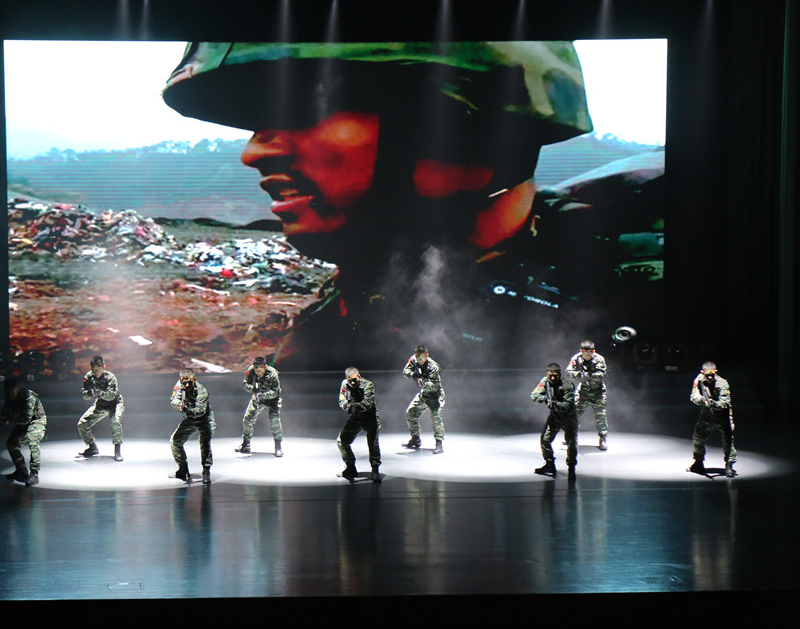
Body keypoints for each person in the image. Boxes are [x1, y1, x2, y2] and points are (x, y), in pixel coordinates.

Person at [161, 42, 664, 369]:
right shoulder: (339, 316)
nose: (254, 153)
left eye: (306, 109)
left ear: (461, 132)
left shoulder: (652, 302)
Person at [688, 361, 737, 477]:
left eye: (712, 375)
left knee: (728, 440)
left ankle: (729, 464)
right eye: (707, 375)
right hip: (707, 414)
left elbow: (724, 403)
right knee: (698, 438)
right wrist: (702, 400)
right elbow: (693, 396)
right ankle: (698, 462)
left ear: (716, 372)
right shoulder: (699, 380)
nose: (710, 377)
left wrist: (713, 403)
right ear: (702, 372)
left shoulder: (722, 383)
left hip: (723, 415)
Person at [531, 363, 578, 478]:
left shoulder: (567, 385)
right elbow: (534, 395)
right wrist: (545, 399)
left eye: (555, 376)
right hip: (555, 417)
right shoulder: (545, 382)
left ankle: (571, 467)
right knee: (545, 440)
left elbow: (567, 405)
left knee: (571, 443)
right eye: (550, 375)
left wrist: (555, 403)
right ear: (547, 374)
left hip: (569, 418)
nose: (552, 378)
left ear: (560, 375)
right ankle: (549, 464)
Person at [170, 368, 215, 484]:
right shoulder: (179, 385)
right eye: (184, 382)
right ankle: (183, 469)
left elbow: (200, 411)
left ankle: (206, 470)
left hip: (204, 419)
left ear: (194, 379)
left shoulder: (201, 391)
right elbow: (173, 400)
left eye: (189, 382)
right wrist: (180, 405)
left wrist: (187, 410)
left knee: (204, 443)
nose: (186, 385)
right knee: (175, 441)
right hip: (190, 418)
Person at [0, 377, 47, 487]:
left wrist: (10, 420)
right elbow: (6, 408)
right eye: (9, 392)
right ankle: (21, 470)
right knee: (11, 444)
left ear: (17, 389)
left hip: (37, 420)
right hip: (23, 421)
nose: (11, 395)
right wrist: (4, 416)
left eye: (12, 392)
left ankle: (34, 474)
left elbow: (26, 419)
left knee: (33, 440)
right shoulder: (9, 395)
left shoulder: (28, 396)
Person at [76, 355, 125, 461]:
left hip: (115, 403)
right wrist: (90, 393)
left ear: (103, 367)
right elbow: (84, 394)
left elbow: (112, 395)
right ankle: (92, 447)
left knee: (115, 422)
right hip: (101, 404)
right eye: (93, 369)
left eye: (98, 369)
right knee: (82, 424)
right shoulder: (89, 377)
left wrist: (101, 393)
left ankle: (117, 450)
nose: (95, 372)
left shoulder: (110, 377)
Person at [337, 367, 381, 483]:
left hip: (370, 417)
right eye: (350, 380)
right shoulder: (345, 384)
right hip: (356, 417)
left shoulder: (368, 385)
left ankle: (375, 469)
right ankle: (350, 467)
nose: (352, 383)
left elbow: (367, 403)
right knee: (342, 441)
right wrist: (347, 405)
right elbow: (342, 400)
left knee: (373, 444)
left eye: (354, 380)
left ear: (359, 376)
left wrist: (352, 406)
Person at [235, 356, 284, 457]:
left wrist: (264, 395)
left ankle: (278, 446)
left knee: (275, 422)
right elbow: (246, 383)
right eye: (257, 370)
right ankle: (246, 443)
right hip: (258, 397)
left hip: (272, 399)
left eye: (261, 370)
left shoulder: (273, 374)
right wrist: (252, 389)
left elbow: (275, 391)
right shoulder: (251, 371)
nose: (259, 373)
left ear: (265, 366)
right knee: (248, 419)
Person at [401, 345, 446, 454]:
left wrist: (424, 382)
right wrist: (414, 376)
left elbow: (434, 385)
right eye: (418, 357)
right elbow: (405, 371)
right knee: (411, 413)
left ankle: (439, 443)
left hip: (435, 395)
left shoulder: (433, 366)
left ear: (426, 355)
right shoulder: (414, 359)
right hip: (424, 394)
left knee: (436, 418)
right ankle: (415, 438)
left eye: (422, 358)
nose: (420, 360)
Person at [566, 340, 608, 451]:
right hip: (583, 390)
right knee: (574, 414)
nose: (589, 354)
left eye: (591, 351)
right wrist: (579, 374)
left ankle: (602, 437)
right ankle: (572, 437)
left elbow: (602, 374)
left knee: (601, 415)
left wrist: (590, 375)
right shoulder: (577, 358)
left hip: (597, 391)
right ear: (581, 351)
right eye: (586, 351)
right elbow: (568, 372)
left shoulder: (599, 359)